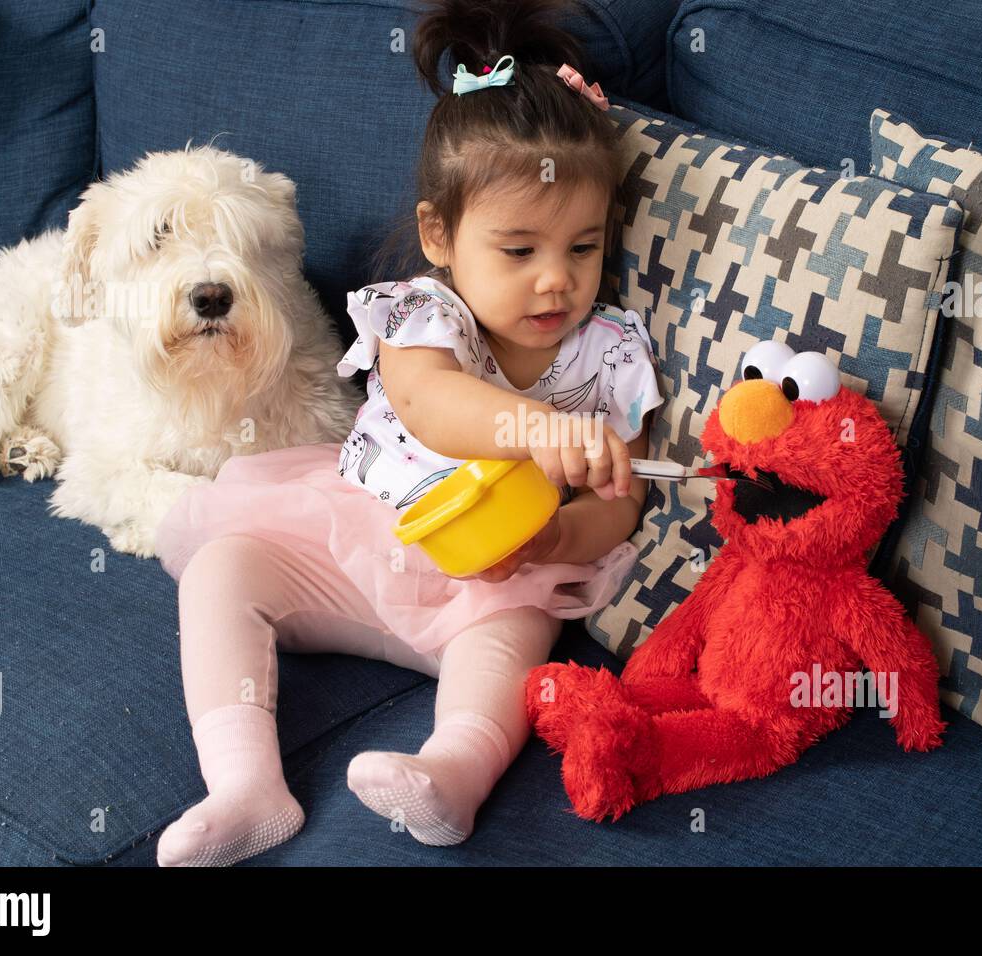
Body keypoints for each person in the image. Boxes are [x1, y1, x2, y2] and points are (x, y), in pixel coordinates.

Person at [152, 0, 663, 866]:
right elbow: (431, 407)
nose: (556, 282)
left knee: (516, 638)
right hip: (353, 546)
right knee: (219, 568)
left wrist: (562, 533)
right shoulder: (422, 315)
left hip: (488, 584)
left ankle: (452, 773)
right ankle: (244, 784)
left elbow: (625, 499)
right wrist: (534, 427)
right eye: (518, 250)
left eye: (584, 247)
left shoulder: (609, 353)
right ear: (440, 236)